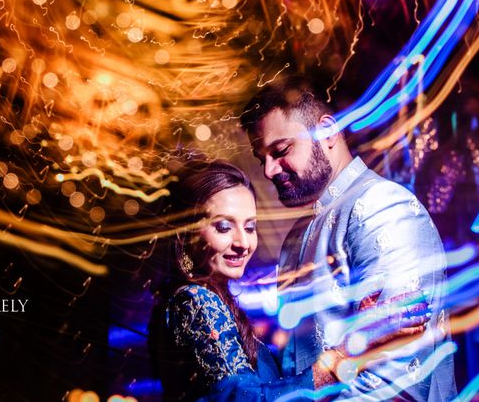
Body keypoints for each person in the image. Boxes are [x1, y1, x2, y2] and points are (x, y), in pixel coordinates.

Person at [241, 76, 458, 401]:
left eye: (281, 150)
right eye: (263, 159)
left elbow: (395, 380)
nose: (269, 170)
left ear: (327, 132)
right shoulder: (296, 237)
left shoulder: (382, 206)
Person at [148, 159, 357, 401]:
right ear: (186, 232)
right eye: (224, 227)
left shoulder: (196, 298)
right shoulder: (195, 300)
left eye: (250, 228)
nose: (243, 244)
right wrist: (340, 361)